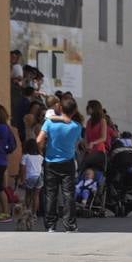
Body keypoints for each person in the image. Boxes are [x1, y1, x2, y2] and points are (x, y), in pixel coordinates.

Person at [37, 97, 83, 232]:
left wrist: (42, 151)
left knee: (51, 194)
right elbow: (76, 143)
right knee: (68, 194)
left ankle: (50, 225)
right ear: (74, 111)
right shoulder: (77, 126)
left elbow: (39, 140)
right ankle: (70, 225)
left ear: (60, 108)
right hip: (68, 161)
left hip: (50, 161)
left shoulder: (49, 123)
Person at [19, 138, 43, 219]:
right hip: (39, 177)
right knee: (36, 196)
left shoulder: (25, 156)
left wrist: (22, 179)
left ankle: (27, 211)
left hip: (30, 177)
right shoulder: (40, 156)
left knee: (28, 195)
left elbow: (22, 168)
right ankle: (34, 214)